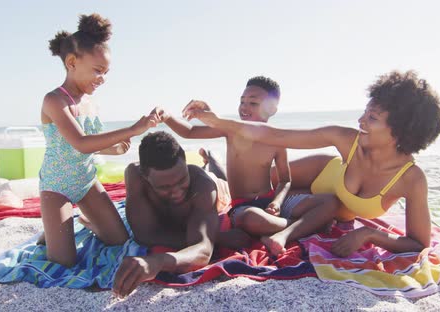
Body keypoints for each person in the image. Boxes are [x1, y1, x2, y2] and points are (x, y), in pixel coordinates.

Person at [183, 70, 440, 257]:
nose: (361, 121)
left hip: (316, 200)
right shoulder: (347, 139)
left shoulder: (410, 179)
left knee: (260, 197)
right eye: (365, 113)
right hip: (320, 172)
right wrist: (215, 120)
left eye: (373, 118)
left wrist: (369, 235)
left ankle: (216, 166)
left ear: (401, 131)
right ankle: (215, 164)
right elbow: (275, 135)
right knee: (248, 184)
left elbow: (418, 242)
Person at [39, 13, 160, 267]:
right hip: (57, 186)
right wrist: (133, 128)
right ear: (72, 62)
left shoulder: (89, 102)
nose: (102, 78)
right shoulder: (55, 100)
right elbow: (81, 143)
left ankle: (84, 222)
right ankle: (51, 232)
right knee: (64, 261)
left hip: (86, 180)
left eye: (106, 72)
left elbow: (94, 144)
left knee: (120, 241)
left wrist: (115, 148)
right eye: (97, 71)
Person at [159, 77, 311, 241]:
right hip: (243, 208)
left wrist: (277, 203)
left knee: (328, 203)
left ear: (272, 109)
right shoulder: (232, 131)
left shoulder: (277, 141)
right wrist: (167, 117)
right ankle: (297, 225)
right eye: (242, 102)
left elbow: (285, 180)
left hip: (270, 204)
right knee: (252, 219)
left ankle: (280, 226)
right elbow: (189, 132)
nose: (244, 107)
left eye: (253, 103)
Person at [112, 131, 223, 297]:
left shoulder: (204, 187)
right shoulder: (135, 175)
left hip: (219, 188)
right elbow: (143, 235)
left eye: (181, 180)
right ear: (145, 176)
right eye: (164, 187)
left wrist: (159, 261)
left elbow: (203, 252)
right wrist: (208, 239)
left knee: (218, 176)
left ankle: (212, 159)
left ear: (185, 163)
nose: (177, 192)